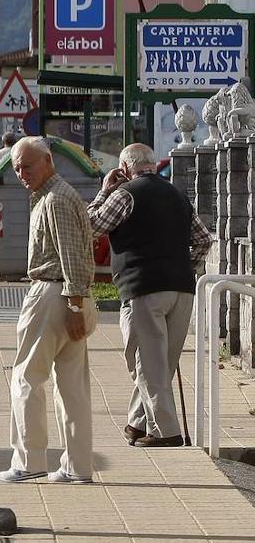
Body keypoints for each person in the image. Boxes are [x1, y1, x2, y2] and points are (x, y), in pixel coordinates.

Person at [88, 143, 212, 448]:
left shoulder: (125, 193)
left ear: (126, 168)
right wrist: (186, 266)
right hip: (182, 289)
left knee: (145, 361)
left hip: (143, 286)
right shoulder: (177, 195)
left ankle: (166, 431)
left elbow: (91, 225)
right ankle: (137, 421)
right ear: (153, 165)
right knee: (161, 364)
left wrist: (104, 190)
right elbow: (204, 240)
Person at [0, 137, 99, 484]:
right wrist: (77, 301)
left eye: (27, 166)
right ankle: (77, 466)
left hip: (53, 293)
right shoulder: (59, 195)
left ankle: (29, 461)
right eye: (16, 169)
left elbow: (71, 256)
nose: (21, 174)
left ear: (48, 160)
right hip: (69, 296)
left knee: (26, 377)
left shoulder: (54, 200)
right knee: (72, 385)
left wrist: (74, 302)